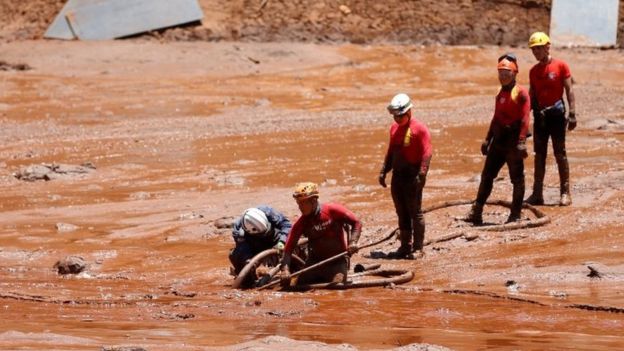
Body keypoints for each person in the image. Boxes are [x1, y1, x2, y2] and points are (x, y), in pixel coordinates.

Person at [463, 54, 530, 225]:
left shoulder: (521, 93)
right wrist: (487, 139)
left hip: (514, 142)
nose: (503, 75)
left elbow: (525, 119)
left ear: (514, 73)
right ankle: (476, 211)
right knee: (487, 176)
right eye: (500, 72)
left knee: (517, 178)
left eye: (506, 72)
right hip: (499, 140)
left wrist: (522, 142)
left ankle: (515, 214)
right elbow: (496, 117)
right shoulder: (499, 92)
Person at [525, 31, 577, 206]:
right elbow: (532, 95)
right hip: (540, 116)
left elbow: (569, 90)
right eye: (534, 50)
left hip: (556, 115)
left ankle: (565, 193)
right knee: (539, 155)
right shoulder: (533, 71)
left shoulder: (561, 66)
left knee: (560, 153)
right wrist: (525, 120)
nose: (536, 52)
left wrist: (572, 114)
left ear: (547, 47)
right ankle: (537, 193)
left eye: (539, 48)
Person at [378, 93, 432, 259]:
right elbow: (391, 151)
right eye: (395, 116)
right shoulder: (394, 128)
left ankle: (418, 248)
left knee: (415, 212)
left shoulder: (419, 129)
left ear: (409, 112)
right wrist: (383, 170)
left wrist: (422, 174)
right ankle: (405, 246)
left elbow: (427, 152)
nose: (398, 119)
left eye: (401, 115)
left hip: (413, 176)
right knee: (401, 211)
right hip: (398, 176)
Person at [279, 182, 362, 286]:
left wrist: (353, 242)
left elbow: (357, 222)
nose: (300, 207)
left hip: (337, 261)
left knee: (337, 288)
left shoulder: (332, 210)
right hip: (315, 263)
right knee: (298, 286)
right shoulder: (301, 223)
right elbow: (288, 249)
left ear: (313, 201)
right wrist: (285, 270)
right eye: (298, 203)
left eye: (303, 203)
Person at [229, 206, 292, 284]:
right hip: (253, 245)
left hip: (274, 238)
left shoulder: (268, 212)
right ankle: (248, 281)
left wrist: (282, 241)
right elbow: (243, 248)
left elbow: (286, 225)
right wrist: (249, 260)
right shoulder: (239, 232)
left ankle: (292, 267)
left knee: (292, 243)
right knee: (235, 255)